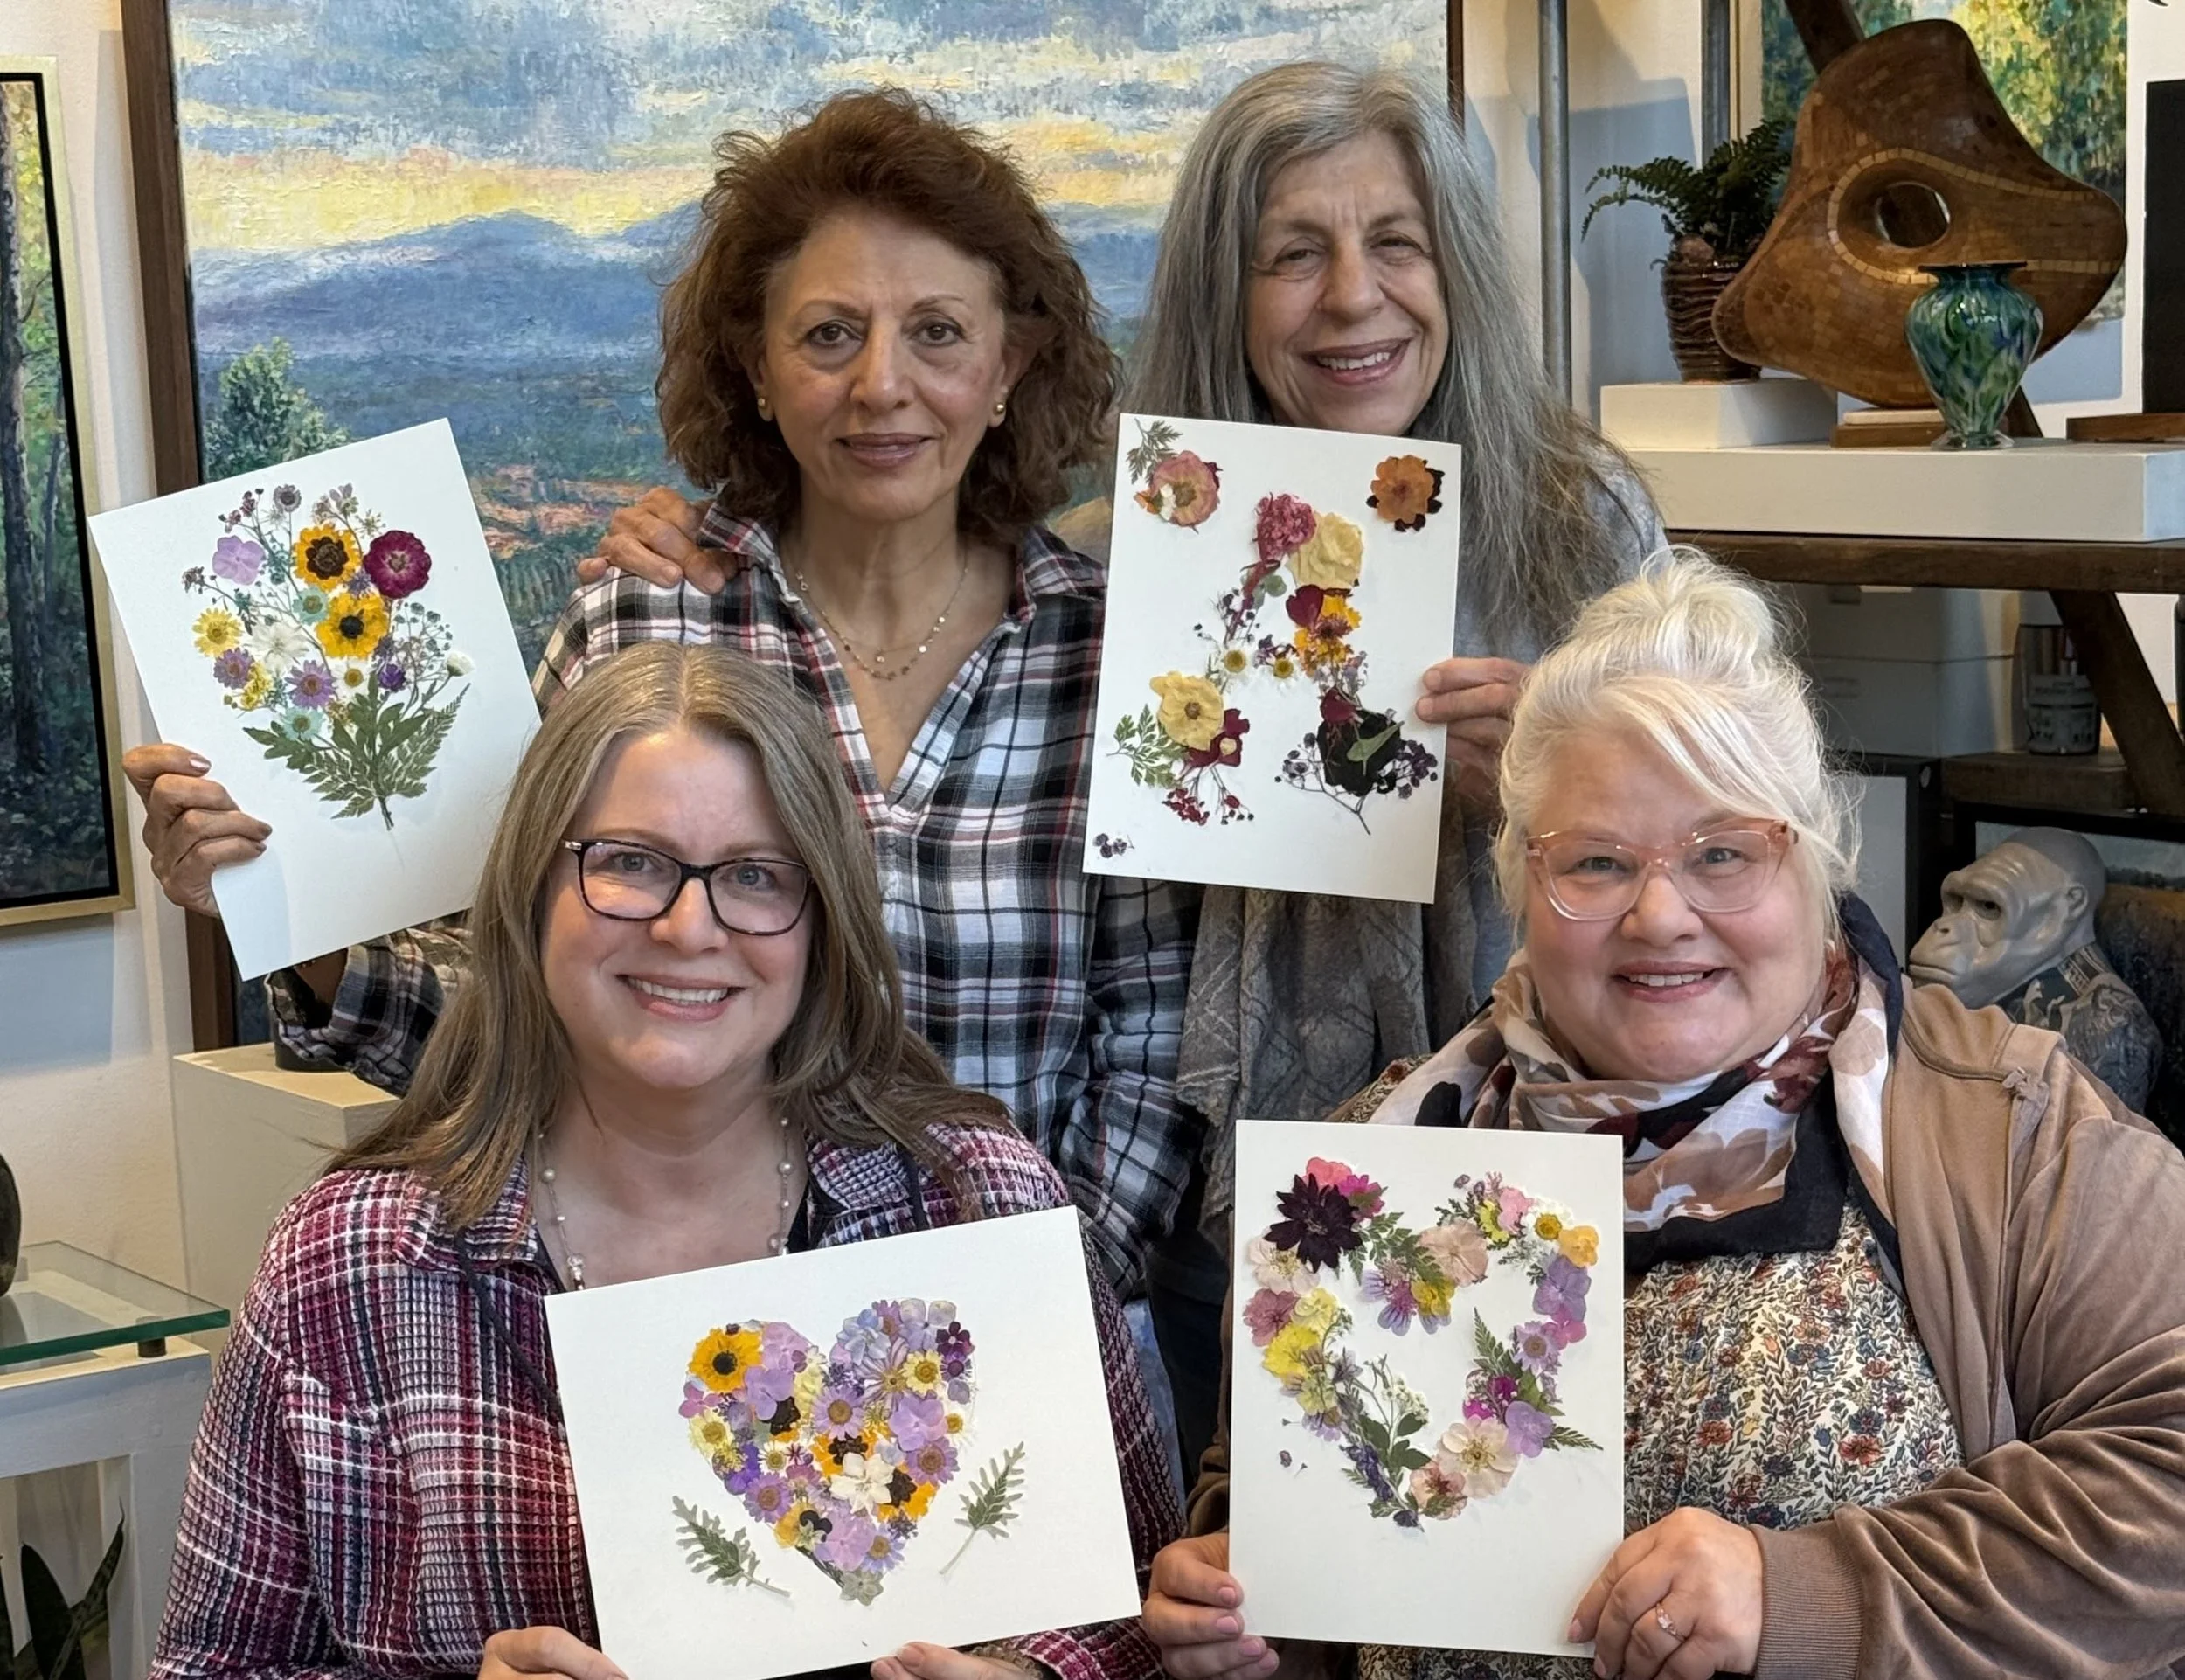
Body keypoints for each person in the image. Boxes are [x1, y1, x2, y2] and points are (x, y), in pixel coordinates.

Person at [121, 89, 1197, 1316]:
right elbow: (508, 1012)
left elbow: (1152, 1051)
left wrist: (1046, 1319)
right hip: (673, 1349)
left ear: (1010, 363)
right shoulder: (644, 625)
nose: (883, 384)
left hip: (1038, 1353)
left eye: (938, 332)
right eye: (831, 334)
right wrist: (283, 901)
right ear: (756, 365)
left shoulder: (1120, 662)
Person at [1142, 552, 2185, 1680]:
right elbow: (1273, 1530)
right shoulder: (1380, 1158)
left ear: (1817, 867)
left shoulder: (2008, 1128)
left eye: (1722, 854)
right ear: (1519, 889)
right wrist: (1238, 1618)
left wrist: (1800, 1593)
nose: (1659, 913)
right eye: (1593, 862)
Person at [150, 642, 1180, 1680]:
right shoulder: (349, 1267)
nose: (691, 927)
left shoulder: (976, 1201)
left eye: (754, 875)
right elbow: (212, 1665)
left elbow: (1147, 1612)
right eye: (629, 862)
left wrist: (1035, 1676)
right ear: (529, 887)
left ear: (820, 916)